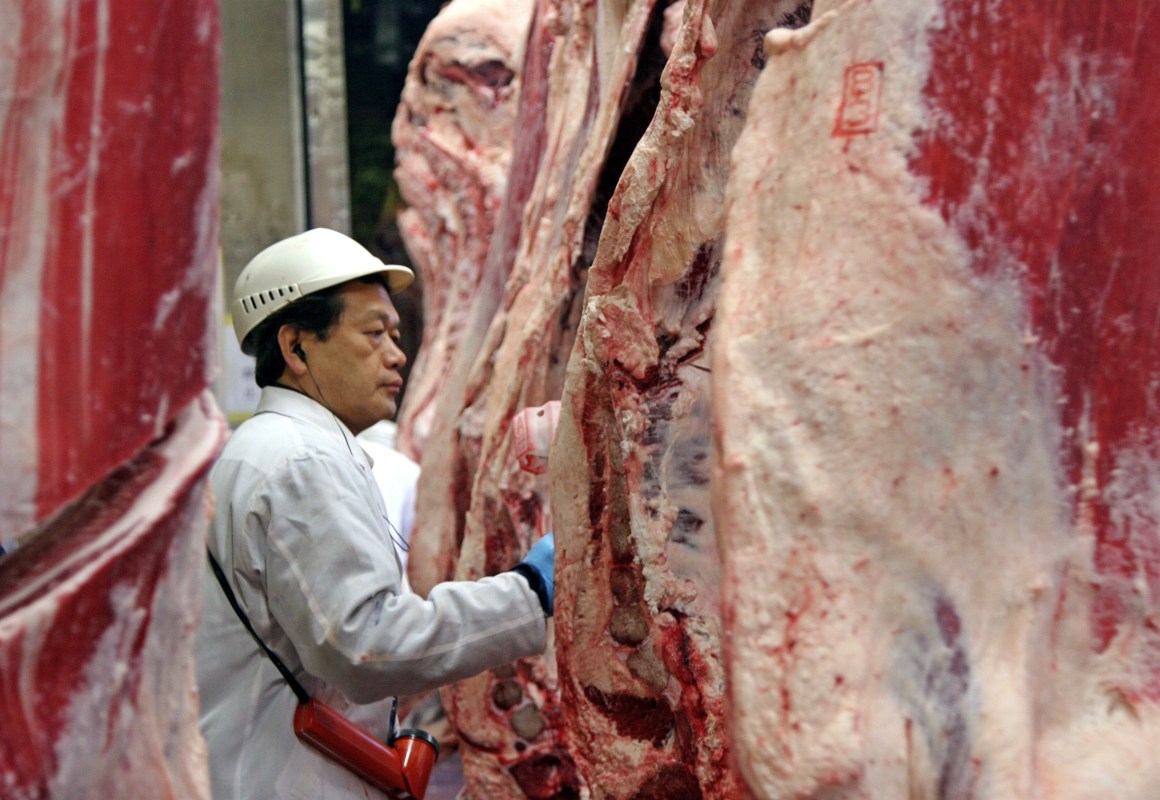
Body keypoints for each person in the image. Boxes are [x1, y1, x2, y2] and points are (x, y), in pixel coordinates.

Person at [195, 228, 554, 800]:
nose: (397, 353)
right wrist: (530, 592)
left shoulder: (280, 449)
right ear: (296, 347)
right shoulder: (297, 460)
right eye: (372, 334)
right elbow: (369, 647)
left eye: (394, 333)